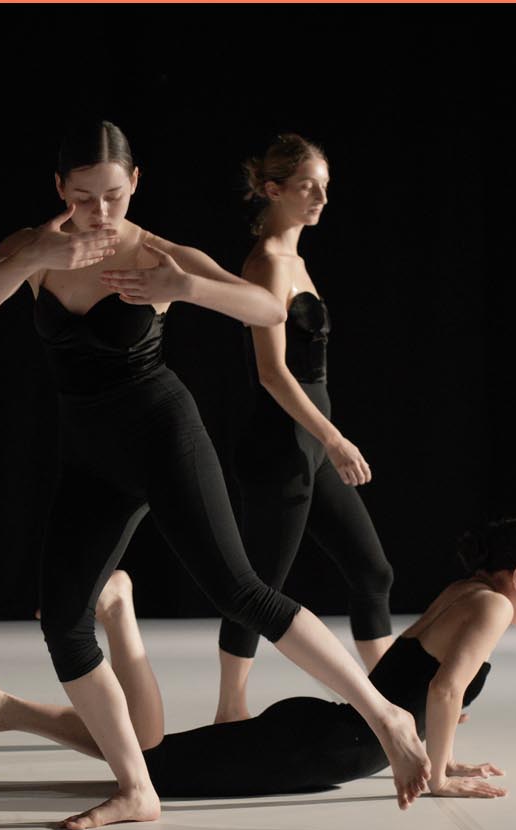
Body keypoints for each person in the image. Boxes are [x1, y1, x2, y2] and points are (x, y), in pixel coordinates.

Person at [0, 120, 431, 830]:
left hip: (162, 432)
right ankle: (137, 789)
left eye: (114, 195)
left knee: (241, 590)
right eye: (83, 197)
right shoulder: (33, 248)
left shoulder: (158, 252)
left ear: (135, 183)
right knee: (62, 621)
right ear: (59, 188)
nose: (100, 212)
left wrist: (185, 286)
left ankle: (385, 714)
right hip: (88, 453)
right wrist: (37, 251)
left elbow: (266, 307)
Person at [0, 518, 516, 800]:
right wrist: (437, 780)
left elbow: (418, 685)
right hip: (321, 748)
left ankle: (9, 710)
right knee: (149, 762)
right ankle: (120, 615)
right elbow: (441, 692)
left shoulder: (465, 593)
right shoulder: (493, 608)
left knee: (147, 753)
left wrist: (443, 755)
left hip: (323, 732)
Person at [216, 134, 396, 725]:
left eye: (324, 185)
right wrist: (334, 438)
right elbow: (272, 372)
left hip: (307, 444)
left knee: (372, 572)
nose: (320, 197)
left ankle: (393, 697)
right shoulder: (268, 262)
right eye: (306, 186)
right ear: (273, 190)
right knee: (260, 587)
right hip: (279, 446)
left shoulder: (294, 259)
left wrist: (324, 440)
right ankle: (230, 712)